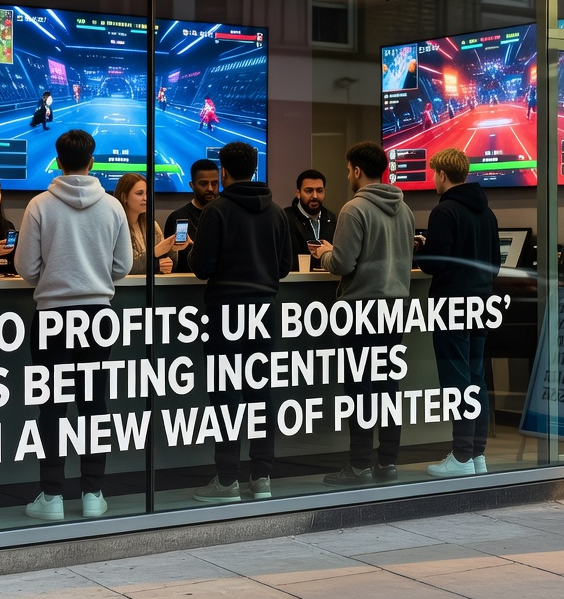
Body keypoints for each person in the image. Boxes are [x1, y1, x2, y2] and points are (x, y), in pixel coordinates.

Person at [15, 129, 132, 520]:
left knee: (52, 405)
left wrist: (54, 278)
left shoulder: (39, 204)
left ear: (58, 161)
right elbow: (123, 267)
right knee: (94, 403)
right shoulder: (113, 206)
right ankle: (93, 493)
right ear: (92, 161)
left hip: (52, 315)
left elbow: (25, 267)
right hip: (98, 314)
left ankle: (51, 496)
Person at [187, 142, 293, 502]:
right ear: (254, 168)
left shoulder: (216, 211)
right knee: (260, 393)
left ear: (224, 172)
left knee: (226, 396)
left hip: (224, 312)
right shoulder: (276, 212)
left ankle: (227, 479)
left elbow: (202, 268)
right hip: (264, 312)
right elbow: (284, 267)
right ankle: (261, 477)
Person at [310, 142, 414, 486]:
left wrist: (325, 253)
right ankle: (388, 462)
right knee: (388, 386)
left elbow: (342, 263)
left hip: (361, 309)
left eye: (348, 170)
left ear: (356, 170)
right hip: (395, 309)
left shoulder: (353, 209)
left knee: (360, 389)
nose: (347, 176)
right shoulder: (404, 209)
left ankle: (358, 466)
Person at [415, 148, 499, 477]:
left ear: (442, 174)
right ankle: (477, 454)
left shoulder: (444, 211)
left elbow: (436, 264)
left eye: (433, 173)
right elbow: (494, 264)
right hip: (482, 302)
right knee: (476, 378)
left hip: (451, 304)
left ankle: (461, 456)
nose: (433, 179)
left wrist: (422, 249)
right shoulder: (487, 213)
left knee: (456, 381)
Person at [115, 172, 179, 275]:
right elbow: (122, 269)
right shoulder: (116, 226)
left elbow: (169, 264)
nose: (145, 198)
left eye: (147, 193)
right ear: (124, 197)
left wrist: (172, 250)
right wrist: (155, 256)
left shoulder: (152, 225)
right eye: (139, 193)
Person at [163, 159, 220, 273]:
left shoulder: (225, 216)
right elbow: (171, 260)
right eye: (203, 184)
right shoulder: (178, 217)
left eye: (214, 183)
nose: (210, 189)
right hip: (185, 281)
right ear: (192, 185)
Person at [283, 169, 336, 269]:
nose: (315, 196)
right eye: (309, 191)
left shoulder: (332, 219)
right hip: (294, 277)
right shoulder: (285, 218)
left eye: (319, 190)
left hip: (327, 277)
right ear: (298, 193)